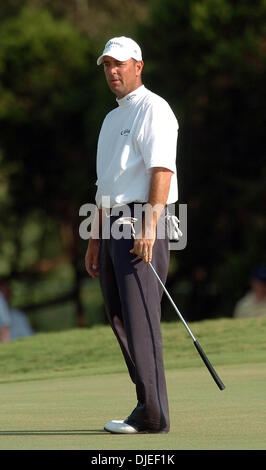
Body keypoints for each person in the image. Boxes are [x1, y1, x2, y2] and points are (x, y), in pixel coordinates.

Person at [85, 37, 179, 434]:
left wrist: (150, 223)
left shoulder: (154, 108)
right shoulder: (111, 120)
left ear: (138, 65)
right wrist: (94, 238)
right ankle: (145, 405)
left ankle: (154, 416)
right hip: (110, 227)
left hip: (142, 221)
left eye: (120, 64)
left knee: (140, 319)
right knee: (121, 317)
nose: (113, 71)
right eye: (107, 65)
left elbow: (161, 170)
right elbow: (105, 183)